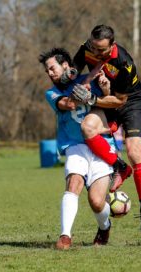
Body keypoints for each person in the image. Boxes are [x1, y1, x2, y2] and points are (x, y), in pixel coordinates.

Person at [73, 24, 141, 236]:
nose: (96, 53)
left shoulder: (124, 63)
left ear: (112, 45)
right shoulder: (87, 48)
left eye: (101, 50)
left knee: (135, 152)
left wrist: (91, 98)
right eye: (94, 47)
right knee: (87, 127)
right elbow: (75, 68)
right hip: (105, 98)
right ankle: (120, 167)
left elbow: (119, 101)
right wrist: (70, 76)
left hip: (129, 102)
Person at [39, 47, 118, 249]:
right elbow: (70, 104)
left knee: (96, 202)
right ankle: (65, 236)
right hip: (75, 146)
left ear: (65, 65)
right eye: (47, 70)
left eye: (52, 68)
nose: (50, 73)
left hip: (101, 145)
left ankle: (105, 225)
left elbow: (109, 102)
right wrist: (88, 80)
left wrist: (105, 87)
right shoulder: (52, 92)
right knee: (73, 183)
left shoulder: (89, 78)